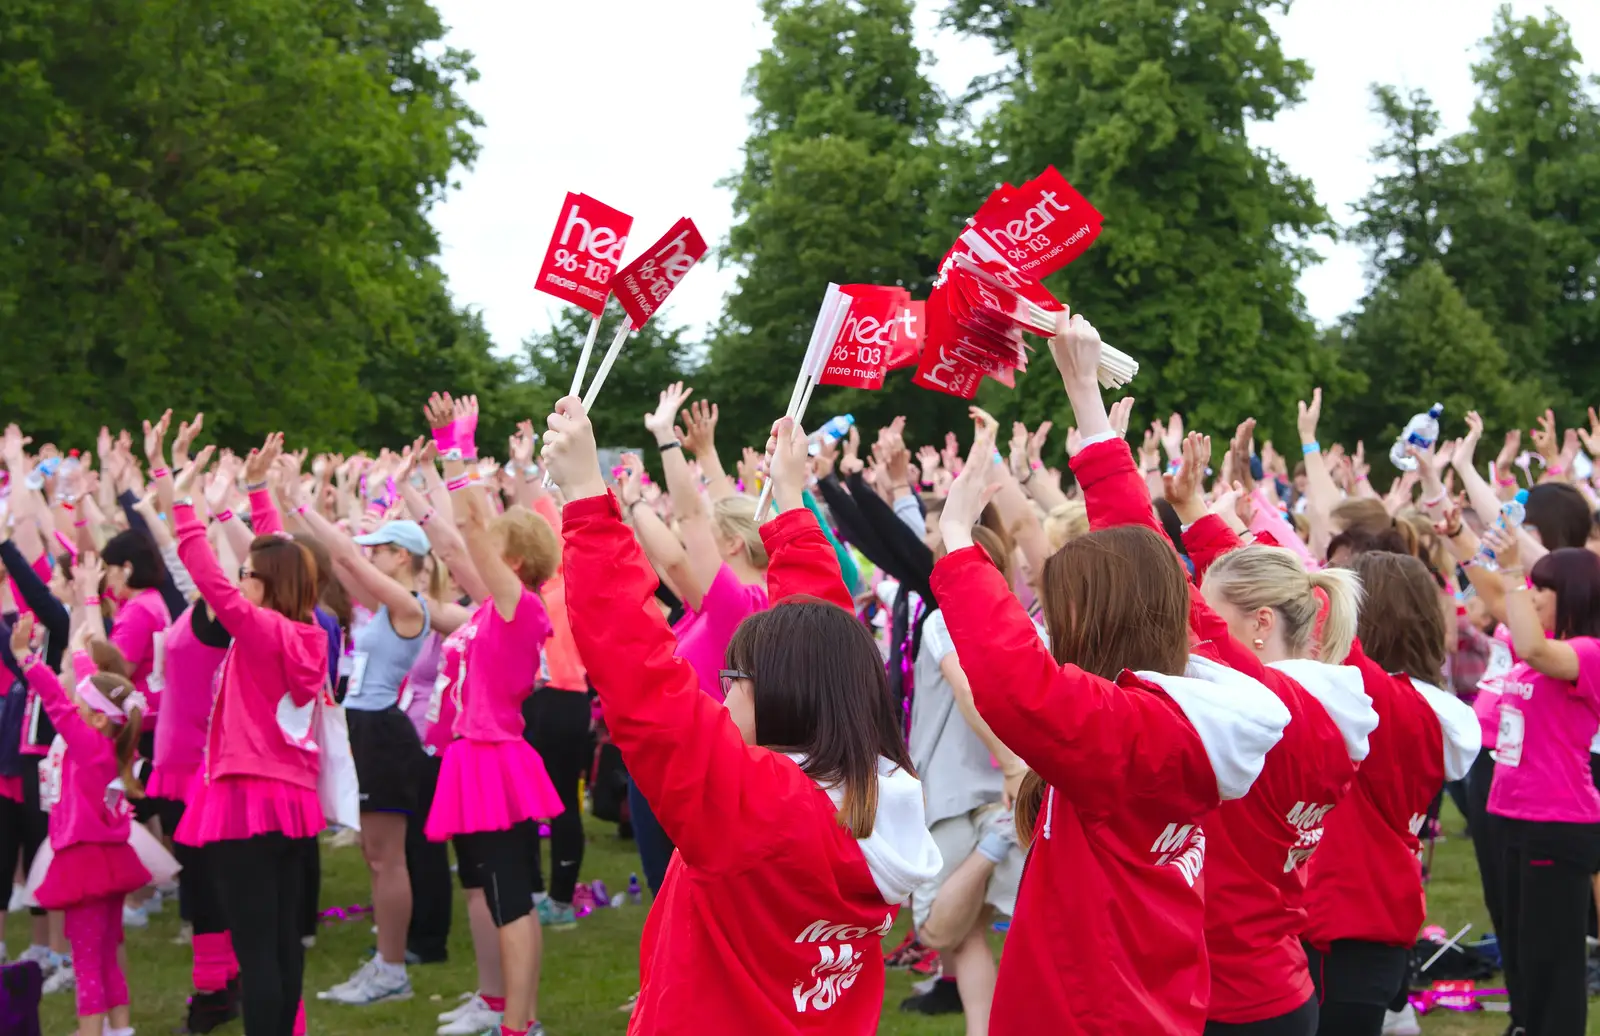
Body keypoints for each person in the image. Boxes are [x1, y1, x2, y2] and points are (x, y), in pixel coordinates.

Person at [930, 312, 1290, 1035]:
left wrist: (958, 543)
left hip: (1092, 1012)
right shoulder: (1195, 685)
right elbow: (1145, 555)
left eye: (1062, 614)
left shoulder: (1129, 729)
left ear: (1096, 624)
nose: (1053, 630)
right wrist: (1085, 397)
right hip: (1139, 998)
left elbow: (1015, 686)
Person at [543, 397, 941, 1033]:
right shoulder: (875, 787)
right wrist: (788, 503)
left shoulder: (754, 808)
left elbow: (639, 675)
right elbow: (821, 640)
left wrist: (589, 501)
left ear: (782, 693)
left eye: (733, 678)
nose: (721, 693)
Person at [1154, 430, 1379, 1036]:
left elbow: (1166, 592)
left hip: (1232, 1002)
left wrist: (1100, 438)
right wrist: (1198, 516)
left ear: (1257, 624)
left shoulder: (1272, 710)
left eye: (1212, 616)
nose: (1198, 632)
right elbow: (1250, 602)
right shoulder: (1332, 702)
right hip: (1277, 984)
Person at [163, 446, 330, 1036]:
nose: (238, 580)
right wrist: (259, 494)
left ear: (264, 586)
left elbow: (215, 577)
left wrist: (183, 506)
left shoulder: (262, 631)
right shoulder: (307, 632)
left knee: (257, 951)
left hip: (246, 802)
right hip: (291, 801)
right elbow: (280, 559)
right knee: (284, 946)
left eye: (247, 576)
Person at [421, 393, 564, 1036]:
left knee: (510, 897)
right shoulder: (496, 608)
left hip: (495, 758)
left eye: (493, 549)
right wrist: (433, 475)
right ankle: (512, 1013)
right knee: (498, 889)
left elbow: (472, 528)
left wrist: (459, 447)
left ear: (512, 560)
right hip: (478, 753)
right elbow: (458, 537)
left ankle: (521, 1024)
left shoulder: (521, 606)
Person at [1300, 551, 1480, 1036]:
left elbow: (1331, 632)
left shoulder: (1395, 704)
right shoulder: (1413, 702)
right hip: (1368, 921)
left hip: (1343, 929)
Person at [623, 382, 771, 897]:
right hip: (687, 761)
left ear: (730, 542)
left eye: (712, 531)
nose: (696, 534)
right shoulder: (725, 605)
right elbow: (675, 558)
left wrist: (665, 442)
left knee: (684, 896)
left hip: (700, 768)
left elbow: (684, 532)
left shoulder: (741, 606)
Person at [296, 493, 434, 1007]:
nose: (370, 554)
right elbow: (341, 563)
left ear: (402, 557)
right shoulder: (386, 604)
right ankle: (386, 960)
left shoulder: (406, 604)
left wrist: (300, 504)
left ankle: (393, 970)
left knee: (386, 859)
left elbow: (346, 559)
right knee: (375, 856)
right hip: (365, 727)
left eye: (381, 549)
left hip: (380, 732)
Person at [12, 614, 177, 1036]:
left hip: (83, 863)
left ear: (97, 718)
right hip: (110, 860)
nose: (74, 709)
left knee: (86, 960)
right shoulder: (112, 739)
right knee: (106, 953)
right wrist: (84, 653)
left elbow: (57, 701)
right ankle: (119, 1029)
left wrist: (26, 659)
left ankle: (89, 1032)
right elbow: (94, 693)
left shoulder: (87, 745)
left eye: (82, 708)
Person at [902, 521, 1027, 1031]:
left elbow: (966, 691)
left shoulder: (942, 622)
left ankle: (993, 846)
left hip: (959, 793)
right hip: (1002, 788)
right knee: (971, 930)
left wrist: (1015, 766)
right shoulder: (1019, 623)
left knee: (933, 928)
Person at [1477, 532, 1600, 1036]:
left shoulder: (1588, 653)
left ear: (1572, 595)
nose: (1533, 596)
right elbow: (1494, 604)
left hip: (1558, 821)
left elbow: (1530, 642)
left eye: (1543, 590)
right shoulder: (1537, 646)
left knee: (1555, 960)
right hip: (1512, 812)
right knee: (1525, 950)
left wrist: (1512, 574)